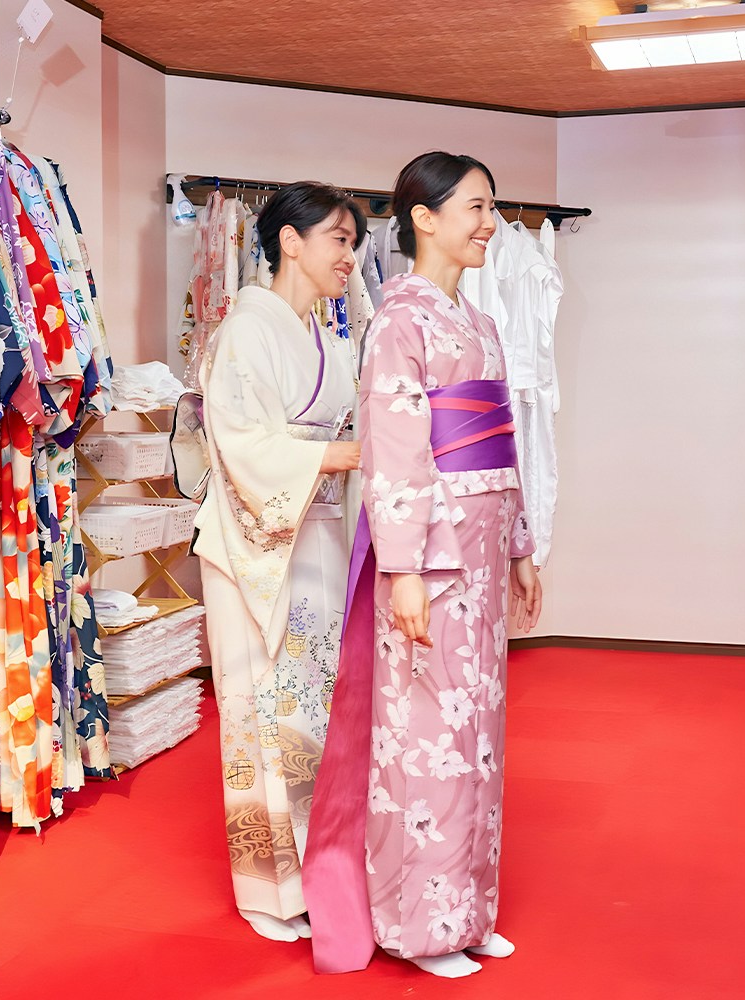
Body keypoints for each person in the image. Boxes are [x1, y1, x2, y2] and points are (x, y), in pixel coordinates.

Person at [304, 152, 543, 978]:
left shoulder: (474, 322)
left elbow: (502, 442)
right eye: (475, 207)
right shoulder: (400, 320)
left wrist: (519, 544)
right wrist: (402, 567)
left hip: (478, 551)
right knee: (425, 734)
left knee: (475, 732)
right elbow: (396, 452)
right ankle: (416, 923)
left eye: (491, 207)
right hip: (432, 553)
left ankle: (468, 908)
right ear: (423, 218)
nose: (488, 224)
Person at [192, 182, 365, 942]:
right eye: (336, 238)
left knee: (311, 707)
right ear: (289, 242)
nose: (349, 256)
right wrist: (344, 454)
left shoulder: (326, 332)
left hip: (315, 531)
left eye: (352, 240)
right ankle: (266, 891)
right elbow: (243, 447)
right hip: (252, 541)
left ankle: (318, 869)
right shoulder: (247, 329)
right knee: (259, 708)